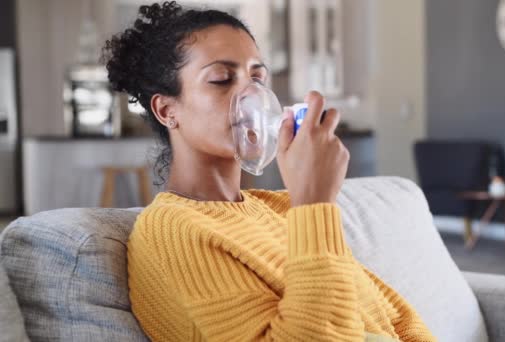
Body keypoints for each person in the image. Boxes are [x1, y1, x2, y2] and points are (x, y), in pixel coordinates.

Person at [103, 2, 435, 341]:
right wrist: (314, 204)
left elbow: (388, 312)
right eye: (221, 79)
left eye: (258, 77)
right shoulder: (171, 231)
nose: (251, 95)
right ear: (166, 109)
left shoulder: (278, 209)